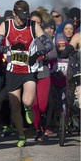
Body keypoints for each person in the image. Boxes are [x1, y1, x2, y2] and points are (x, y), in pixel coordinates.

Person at [0, 0, 54, 147]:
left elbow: (49, 44)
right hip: (12, 71)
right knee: (15, 106)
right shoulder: (6, 25)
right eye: (19, 16)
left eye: (25, 16)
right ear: (14, 13)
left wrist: (38, 53)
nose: (22, 19)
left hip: (28, 70)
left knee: (27, 101)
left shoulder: (33, 25)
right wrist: (10, 48)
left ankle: (28, 107)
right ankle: (21, 134)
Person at [30, 11, 57, 141]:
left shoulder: (45, 36)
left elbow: (54, 54)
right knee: (33, 104)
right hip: (29, 74)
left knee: (43, 105)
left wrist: (43, 56)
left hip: (43, 73)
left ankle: (43, 120)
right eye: (33, 22)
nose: (36, 25)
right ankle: (38, 130)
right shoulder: (25, 35)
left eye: (38, 23)